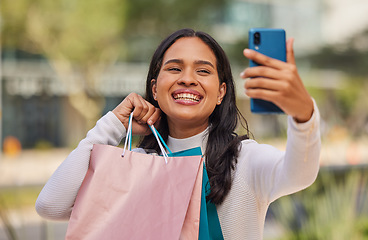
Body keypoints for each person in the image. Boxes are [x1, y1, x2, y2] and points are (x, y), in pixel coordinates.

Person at [36, 28, 320, 239]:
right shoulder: (136, 166)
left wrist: (303, 113)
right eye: (174, 68)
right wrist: (112, 125)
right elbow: (51, 205)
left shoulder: (244, 160)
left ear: (221, 92)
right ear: (155, 88)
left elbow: (299, 174)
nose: (187, 78)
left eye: (203, 71)